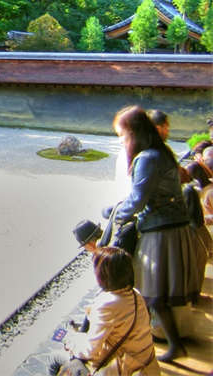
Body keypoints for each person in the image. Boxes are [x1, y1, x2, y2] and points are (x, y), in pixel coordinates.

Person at [112, 105, 202, 361]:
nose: (121, 140)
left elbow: (138, 200)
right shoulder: (161, 153)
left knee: (153, 290)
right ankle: (175, 344)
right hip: (174, 227)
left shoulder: (147, 158)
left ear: (134, 133)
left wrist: (117, 215)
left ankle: (172, 345)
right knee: (158, 292)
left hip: (161, 231)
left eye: (122, 135)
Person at [63, 247, 159, 375]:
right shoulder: (136, 295)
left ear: (102, 274)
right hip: (146, 365)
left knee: (56, 358)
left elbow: (91, 351)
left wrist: (71, 343)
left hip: (125, 369)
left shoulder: (107, 303)